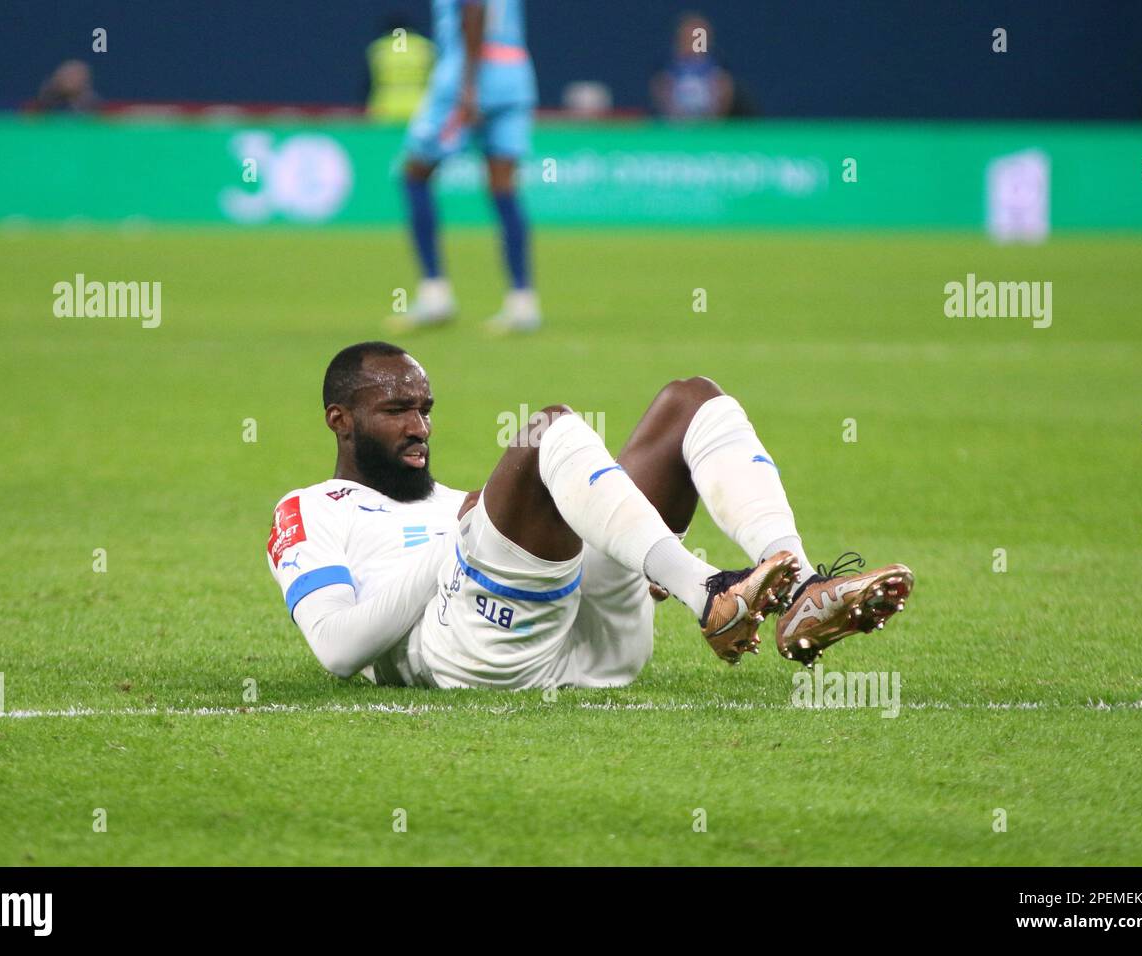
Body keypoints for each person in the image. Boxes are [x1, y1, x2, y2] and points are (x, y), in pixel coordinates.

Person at [266, 342, 915, 689]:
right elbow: (339, 651)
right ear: (340, 421)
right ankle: (708, 591)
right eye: (398, 410)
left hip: (592, 642)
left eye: (427, 408)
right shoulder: (307, 508)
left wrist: (642, 555)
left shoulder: (456, 502)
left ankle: (800, 586)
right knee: (549, 431)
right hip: (473, 653)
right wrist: (456, 542)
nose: (420, 426)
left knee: (692, 402)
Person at [390, 0, 541, 334]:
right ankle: (522, 302)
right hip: (514, 76)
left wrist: (469, 86)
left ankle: (434, 294)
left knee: (413, 173)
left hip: (468, 77)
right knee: (504, 188)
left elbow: (474, 8)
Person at [650, 13, 734, 120]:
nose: (693, 43)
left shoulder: (717, 69)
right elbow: (662, 96)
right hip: (676, 126)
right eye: (688, 37)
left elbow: (723, 100)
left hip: (708, 126)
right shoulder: (666, 69)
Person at [364, 14, 435, 122]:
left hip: (384, 109)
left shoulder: (379, 49)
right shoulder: (426, 47)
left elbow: (367, 83)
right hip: (420, 109)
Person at [30, 60, 100, 113]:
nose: (71, 79)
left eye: (76, 75)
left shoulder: (97, 110)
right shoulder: (36, 110)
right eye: (68, 75)